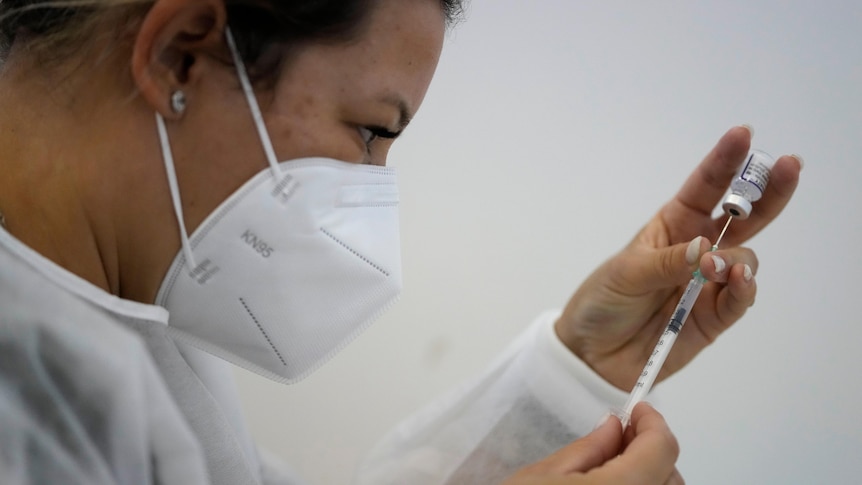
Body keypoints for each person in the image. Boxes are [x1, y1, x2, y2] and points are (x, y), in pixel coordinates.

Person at [0, 0, 801, 483]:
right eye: (372, 131)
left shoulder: (126, 311)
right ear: (182, 49)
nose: (370, 184)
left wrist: (580, 368)